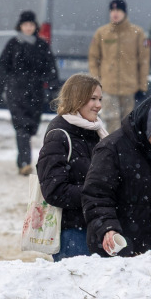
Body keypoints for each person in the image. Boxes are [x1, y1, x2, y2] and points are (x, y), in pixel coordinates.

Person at [82, 95, 151, 257]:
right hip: (117, 246)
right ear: (146, 126)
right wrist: (108, 227)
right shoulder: (111, 149)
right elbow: (96, 197)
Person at [35, 73, 105, 259]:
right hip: (72, 232)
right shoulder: (59, 135)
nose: (98, 105)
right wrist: (96, 195)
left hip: (98, 226)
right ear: (77, 99)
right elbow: (54, 190)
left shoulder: (97, 133)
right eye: (92, 99)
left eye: (100, 99)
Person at [0, 10, 58, 175]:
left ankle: (23, 158)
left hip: (35, 92)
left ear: (35, 26)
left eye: (30, 25)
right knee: (21, 126)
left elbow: (50, 68)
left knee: (31, 126)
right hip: (16, 90)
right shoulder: (12, 44)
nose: (28, 28)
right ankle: (24, 162)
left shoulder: (42, 46)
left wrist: (52, 87)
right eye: (25, 25)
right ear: (20, 26)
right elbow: (2, 67)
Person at [88, 0, 150, 132]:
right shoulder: (102, 33)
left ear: (125, 12)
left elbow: (143, 61)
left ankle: (126, 152)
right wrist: (97, 82)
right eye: (112, 10)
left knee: (128, 124)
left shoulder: (137, 33)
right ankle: (113, 151)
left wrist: (142, 86)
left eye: (118, 10)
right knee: (111, 122)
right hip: (108, 87)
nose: (115, 13)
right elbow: (93, 59)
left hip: (130, 87)